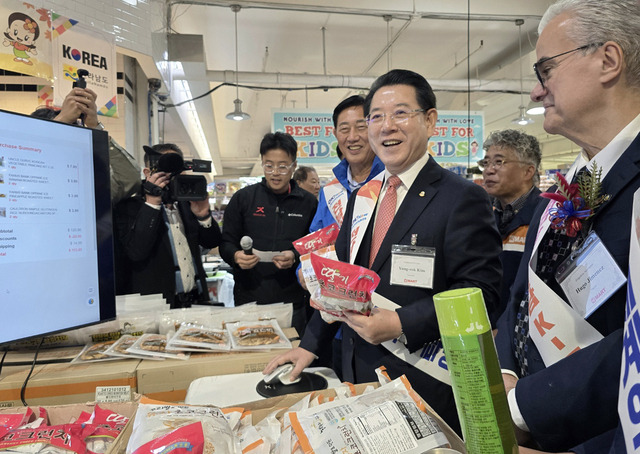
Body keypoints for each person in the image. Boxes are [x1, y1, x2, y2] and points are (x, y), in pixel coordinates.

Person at [266, 69, 502, 434]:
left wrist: (401, 323)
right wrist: (310, 347)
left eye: (400, 113)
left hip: (423, 381)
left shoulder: (462, 197)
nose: (386, 126)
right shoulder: (364, 196)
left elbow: (482, 293)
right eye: (376, 116)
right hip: (357, 372)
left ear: (430, 120)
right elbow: (341, 280)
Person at [493, 0, 640, 451]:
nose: (536, 93)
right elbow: (522, 293)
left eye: (545, 70)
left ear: (607, 60)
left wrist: (524, 406)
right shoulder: (578, 181)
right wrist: (506, 371)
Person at [219, 132, 317, 336]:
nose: (275, 173)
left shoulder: (308, 203)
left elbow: (314, 244)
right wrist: (236, 256)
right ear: (262, 163)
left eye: (282, 166)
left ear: (294, 166)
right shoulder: (244, 198)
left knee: (292, 356)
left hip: (292, 301)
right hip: (249, 298)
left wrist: (295, 255)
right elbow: (226, 241)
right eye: (269, 165)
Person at [113, 143, 221, 308]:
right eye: (166, 169)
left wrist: (203, 216)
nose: (172, 176)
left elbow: (211, 242)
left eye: (177, 170)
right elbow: (136, 252)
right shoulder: (128, 208)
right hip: (156, 307)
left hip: (195, 302)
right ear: (148, 173)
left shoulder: (188, 205)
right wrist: (152, 204)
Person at [30, 87, 141, 204]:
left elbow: (130, 180)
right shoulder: (26, 178)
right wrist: (61, 121)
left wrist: (95, 128)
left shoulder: (87, 182)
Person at [480, 129, 542, 320]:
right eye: (486, 162)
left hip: (523, 331)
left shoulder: (547, 217)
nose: (489, 170)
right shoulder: (482, 215)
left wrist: (507, 326)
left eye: (499, 162)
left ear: (528, 171)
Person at [309, 95, 384, 232]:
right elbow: (317, 238)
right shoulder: (330, 192)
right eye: (344, 129)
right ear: (335, 134)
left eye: (361, 127)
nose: (352, 137)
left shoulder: (392, 182)